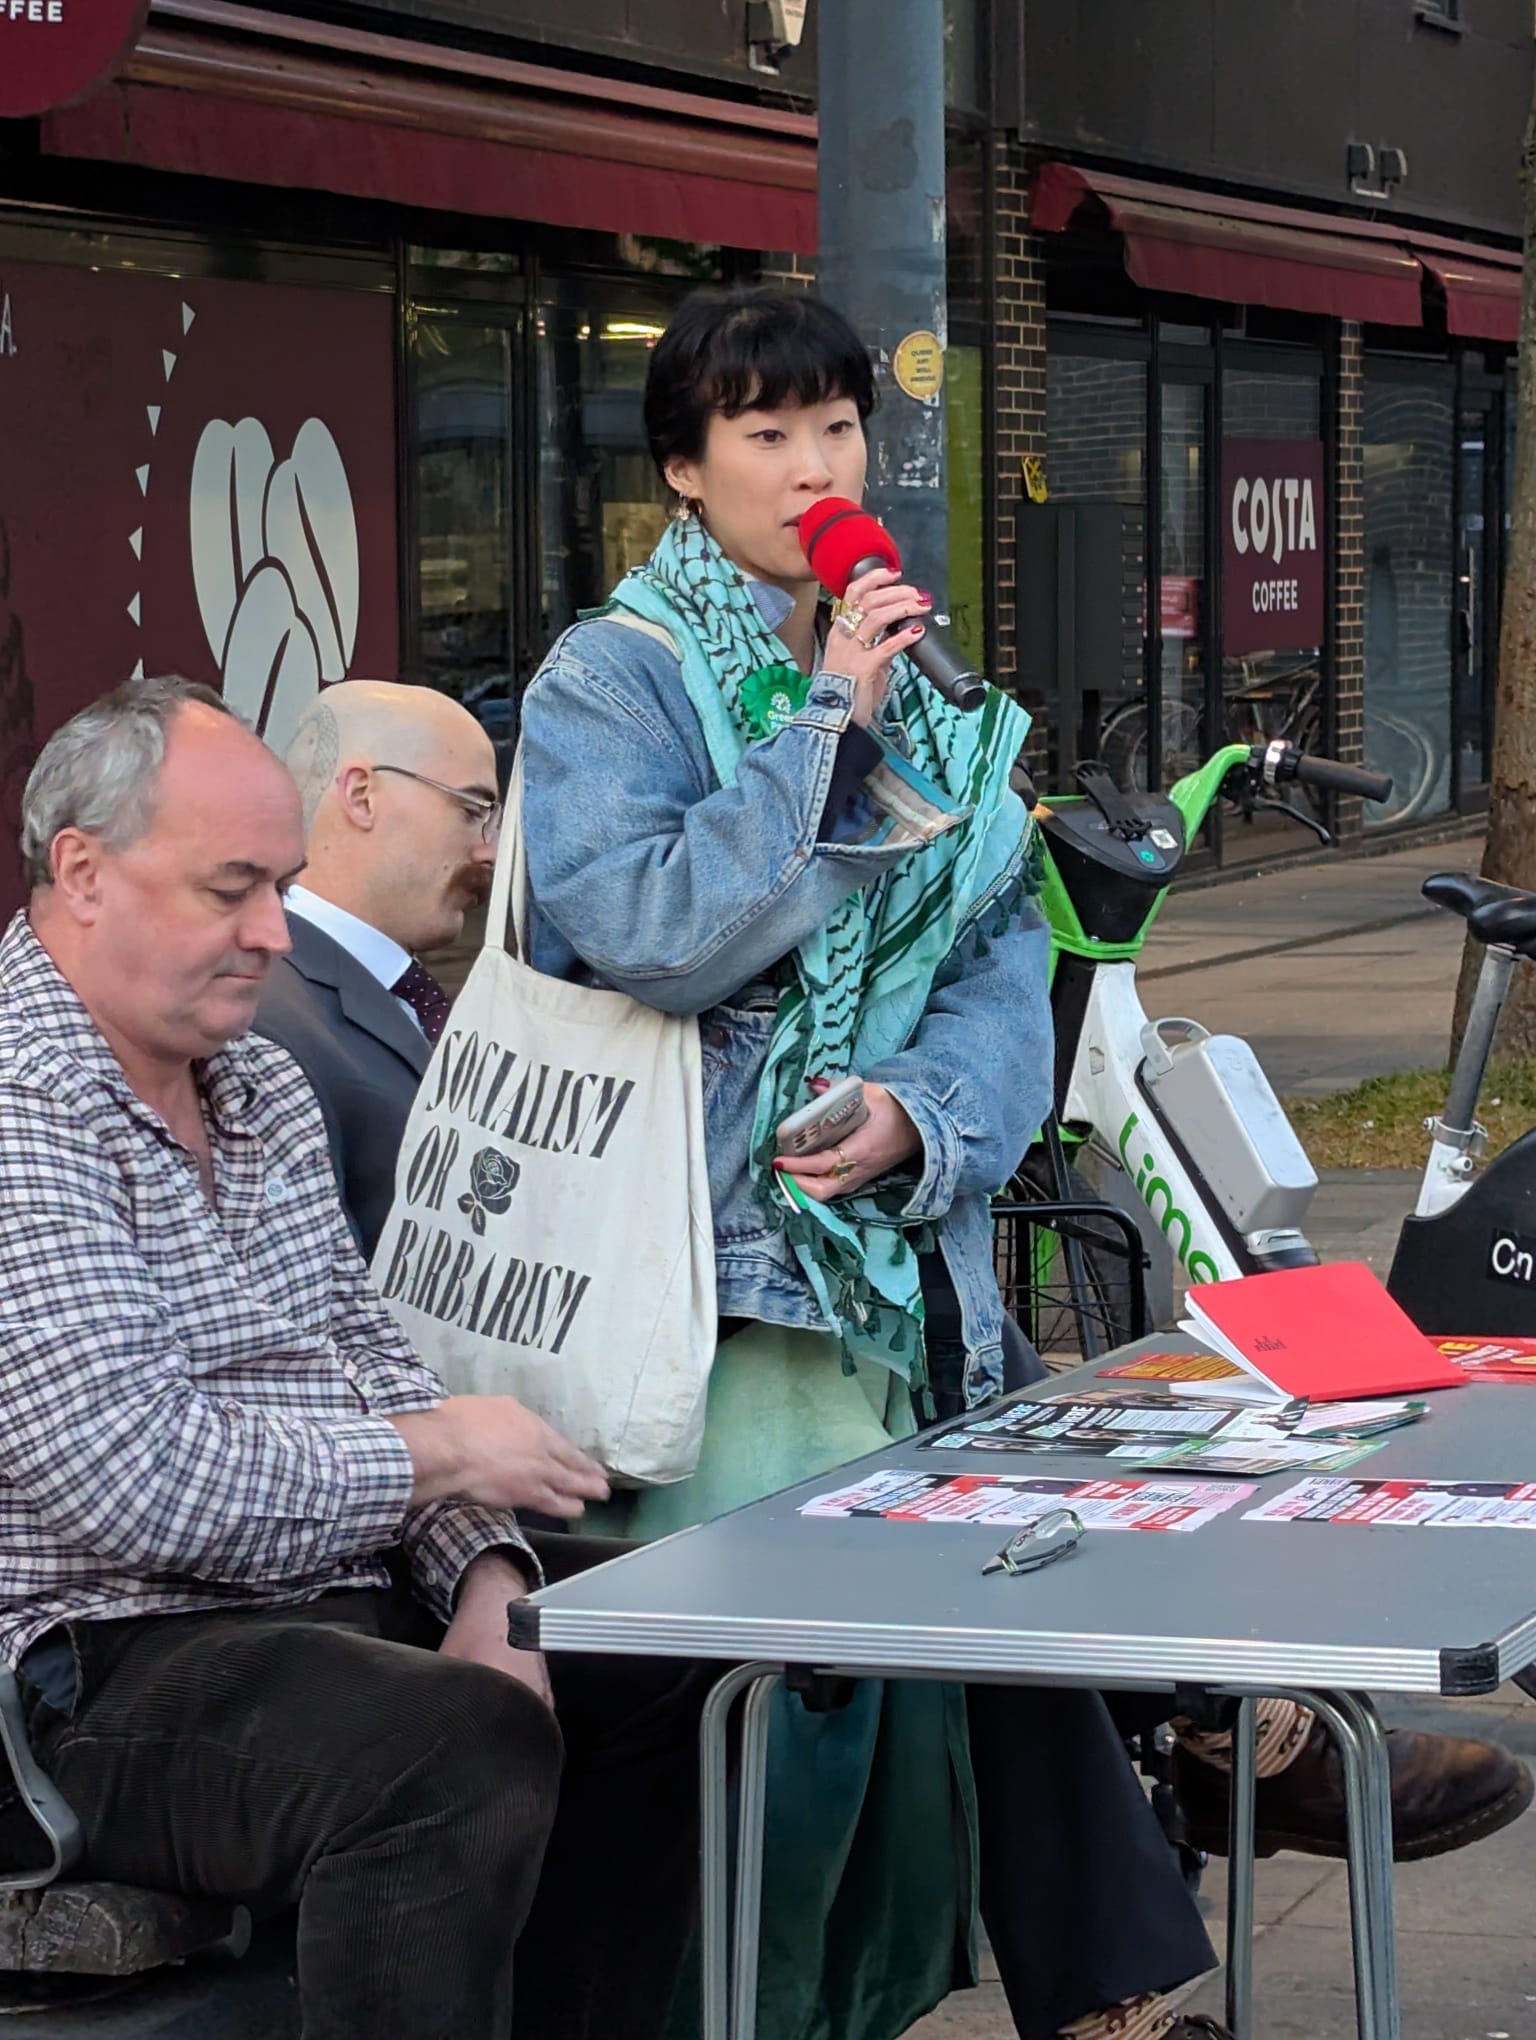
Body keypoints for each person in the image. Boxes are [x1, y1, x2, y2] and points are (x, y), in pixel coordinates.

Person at [515, 286, 1531, 2040]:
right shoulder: (615, 680)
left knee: (1012, 1526)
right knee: (950, 1568)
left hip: (906, 1253)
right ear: (682, 471)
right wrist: (821, 728)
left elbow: (1002, 966)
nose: (811, 464)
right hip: (705, 1274)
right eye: (763, 434)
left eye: (833, 428)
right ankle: (1208, 1799)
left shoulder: (924, 679)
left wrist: (925, 1115)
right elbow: (650, 932)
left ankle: (1179, 1862)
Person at [0, 675, 709, 2040]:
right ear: (82, 873)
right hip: (84, 1670)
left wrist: (491, 1577)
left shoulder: (252, 1081)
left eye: (280, 885)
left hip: (303, 1608)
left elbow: (370, 1365)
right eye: (230, 890)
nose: (273, 931)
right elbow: (134, 1483)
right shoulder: (24, 1099)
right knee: (447, 1746)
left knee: (652, 1637)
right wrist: (443, 1453)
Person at [254, 678, 498, 1258]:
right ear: (361, 795)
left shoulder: (390, 990)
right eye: (471, 811)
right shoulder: (264, 1015)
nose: (489, 850)